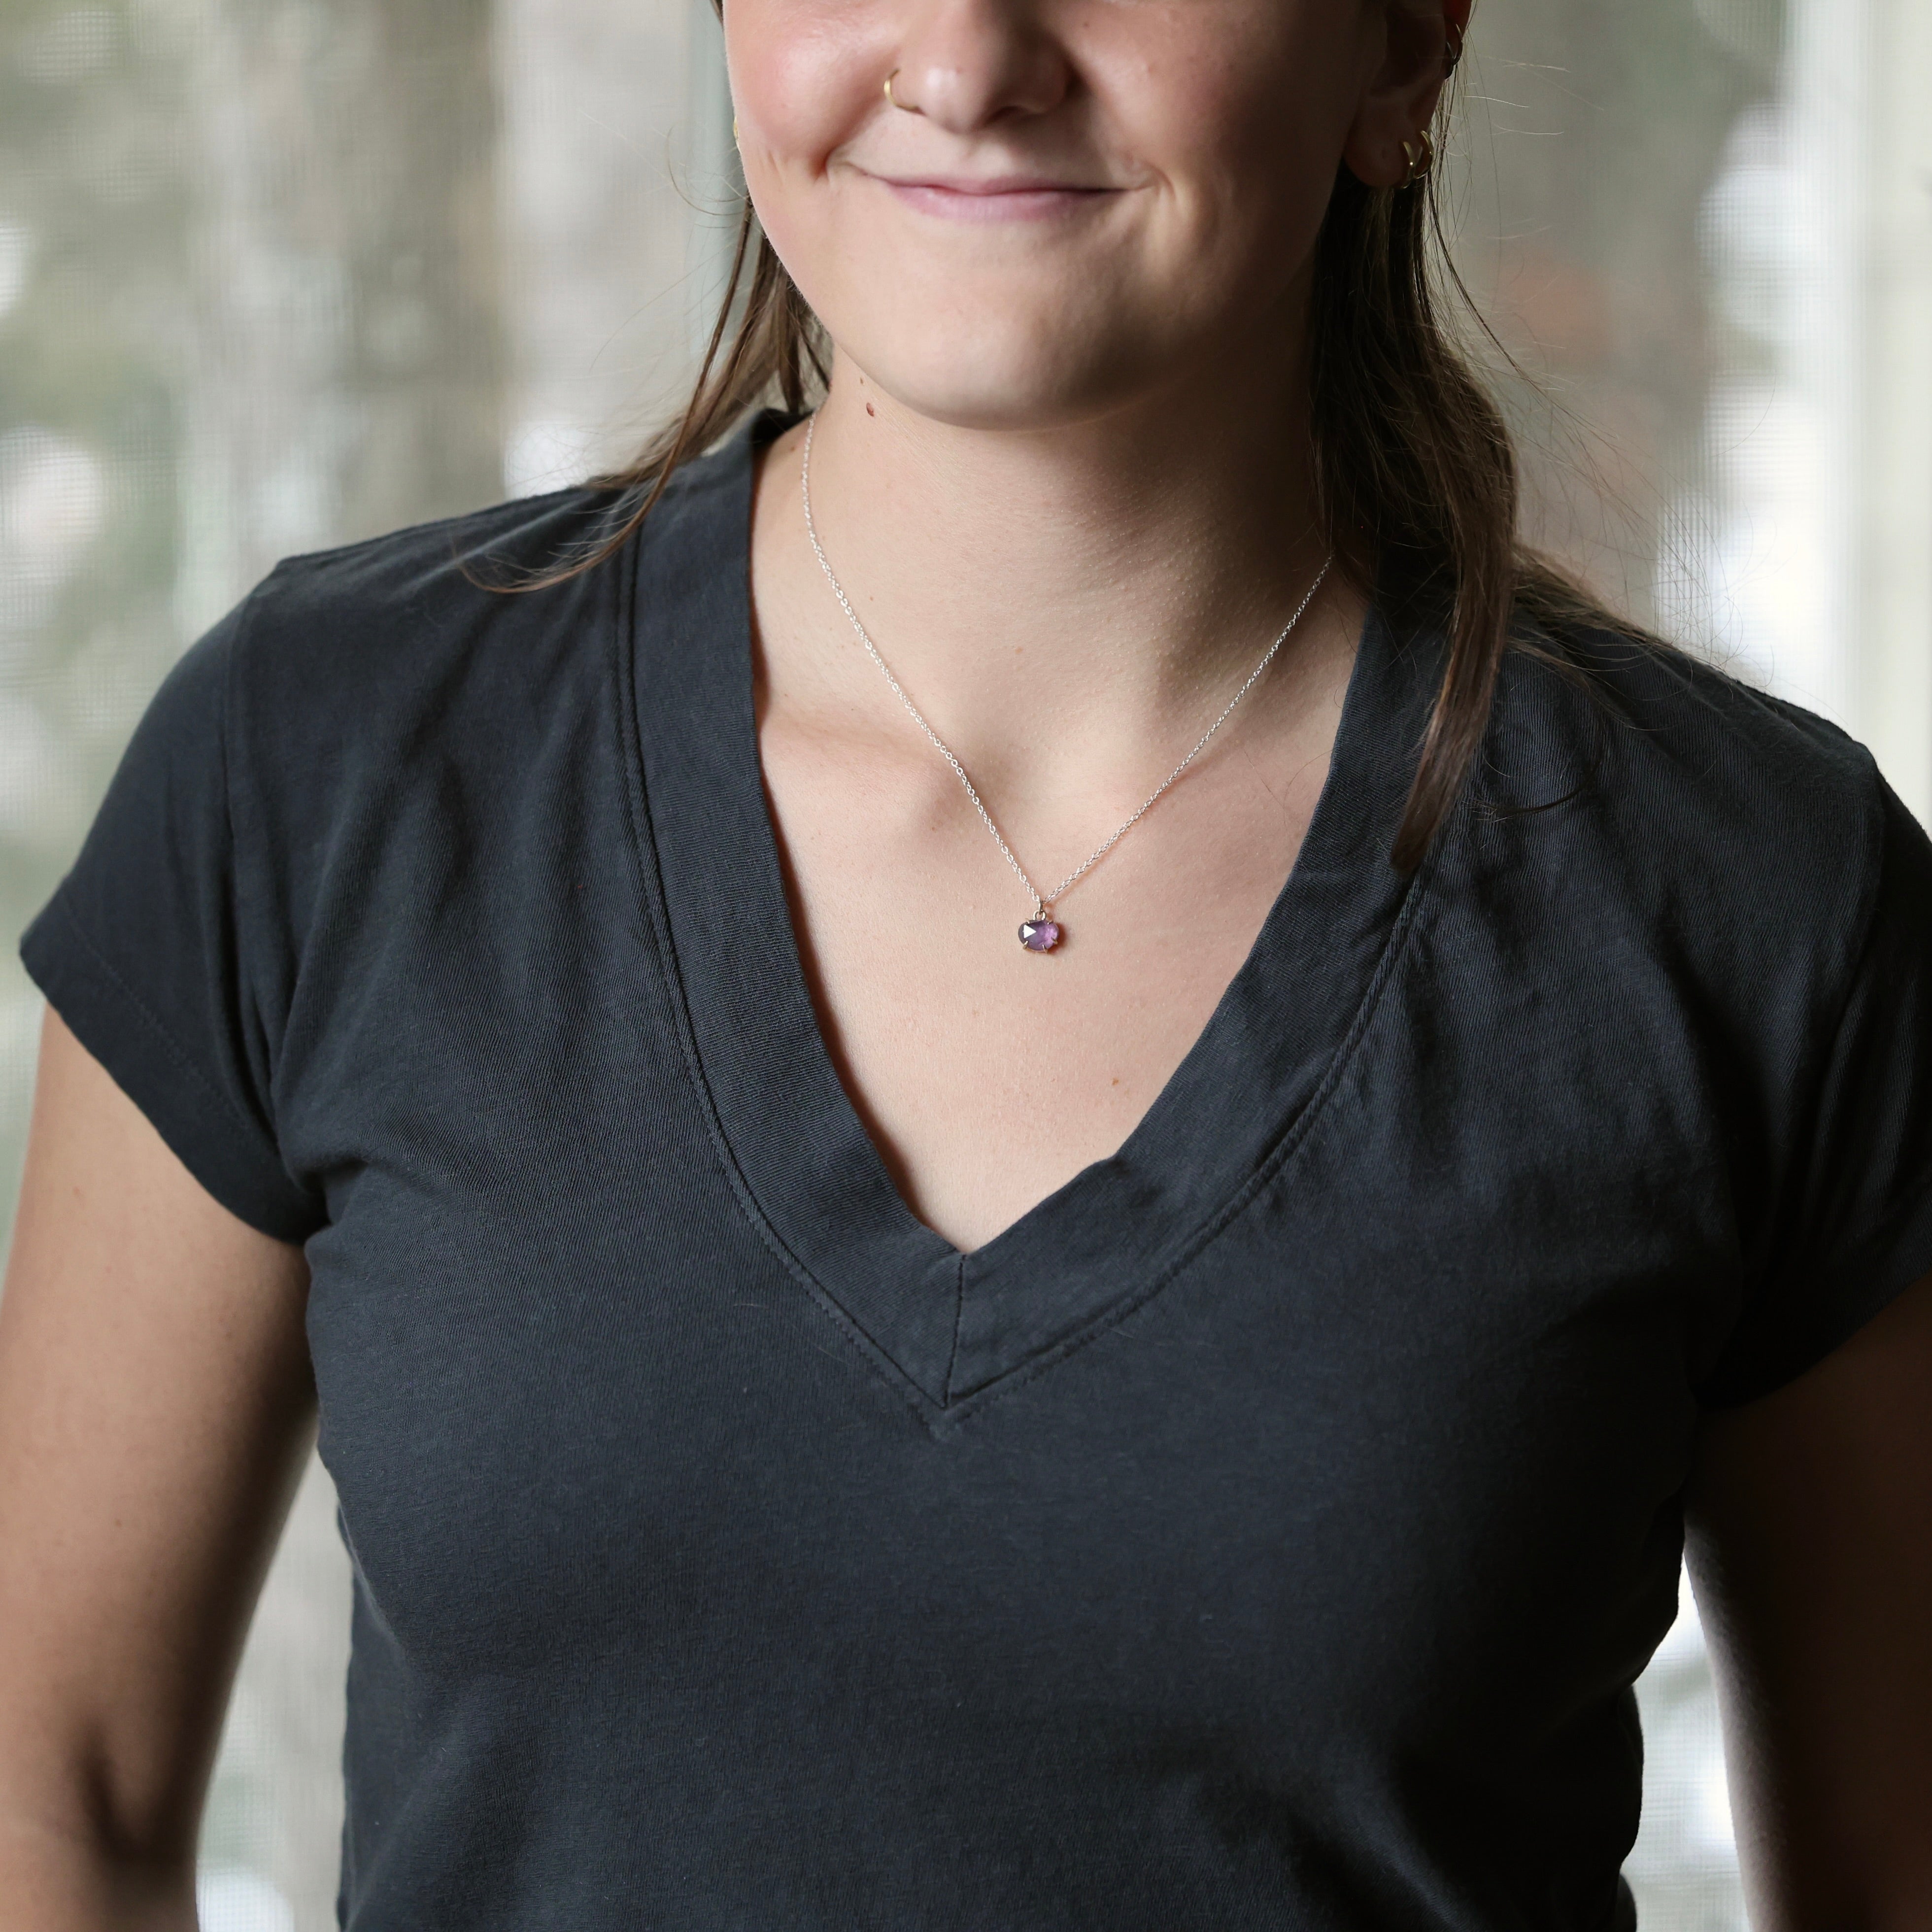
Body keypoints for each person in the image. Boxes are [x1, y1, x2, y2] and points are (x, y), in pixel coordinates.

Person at [2, 0, 1929, 1924]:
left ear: (1404, 51)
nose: (966, 60)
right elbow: (48, 1803)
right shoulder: (322, 770)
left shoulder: (1756, 896)